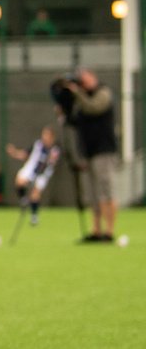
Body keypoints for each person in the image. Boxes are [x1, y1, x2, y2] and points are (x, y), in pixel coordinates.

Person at [65, 67, 118, 241]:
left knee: (105, 190)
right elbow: (77, 121)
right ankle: (96, 231)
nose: (81, 82)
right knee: (93, 194)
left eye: (84, 77)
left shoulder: (103, 93)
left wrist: (77, 93)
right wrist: (64, 110)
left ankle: (109, 232)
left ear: (92, 76)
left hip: (104, 150)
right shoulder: (82, 98)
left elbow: (93, 108)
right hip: (88, 151)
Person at [6, 125, 61, 225]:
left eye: (47, 135)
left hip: (42, 174)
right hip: (31, 169)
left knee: (35, 193)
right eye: (44, 134)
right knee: (19, 181)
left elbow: (51, 162)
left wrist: (49, 159)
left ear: (52, 137)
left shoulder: (55, 150)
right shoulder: (37, 145)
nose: (44, 137)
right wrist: (14, 153)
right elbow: (25, 154)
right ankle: (23, 200)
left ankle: (34, 216)